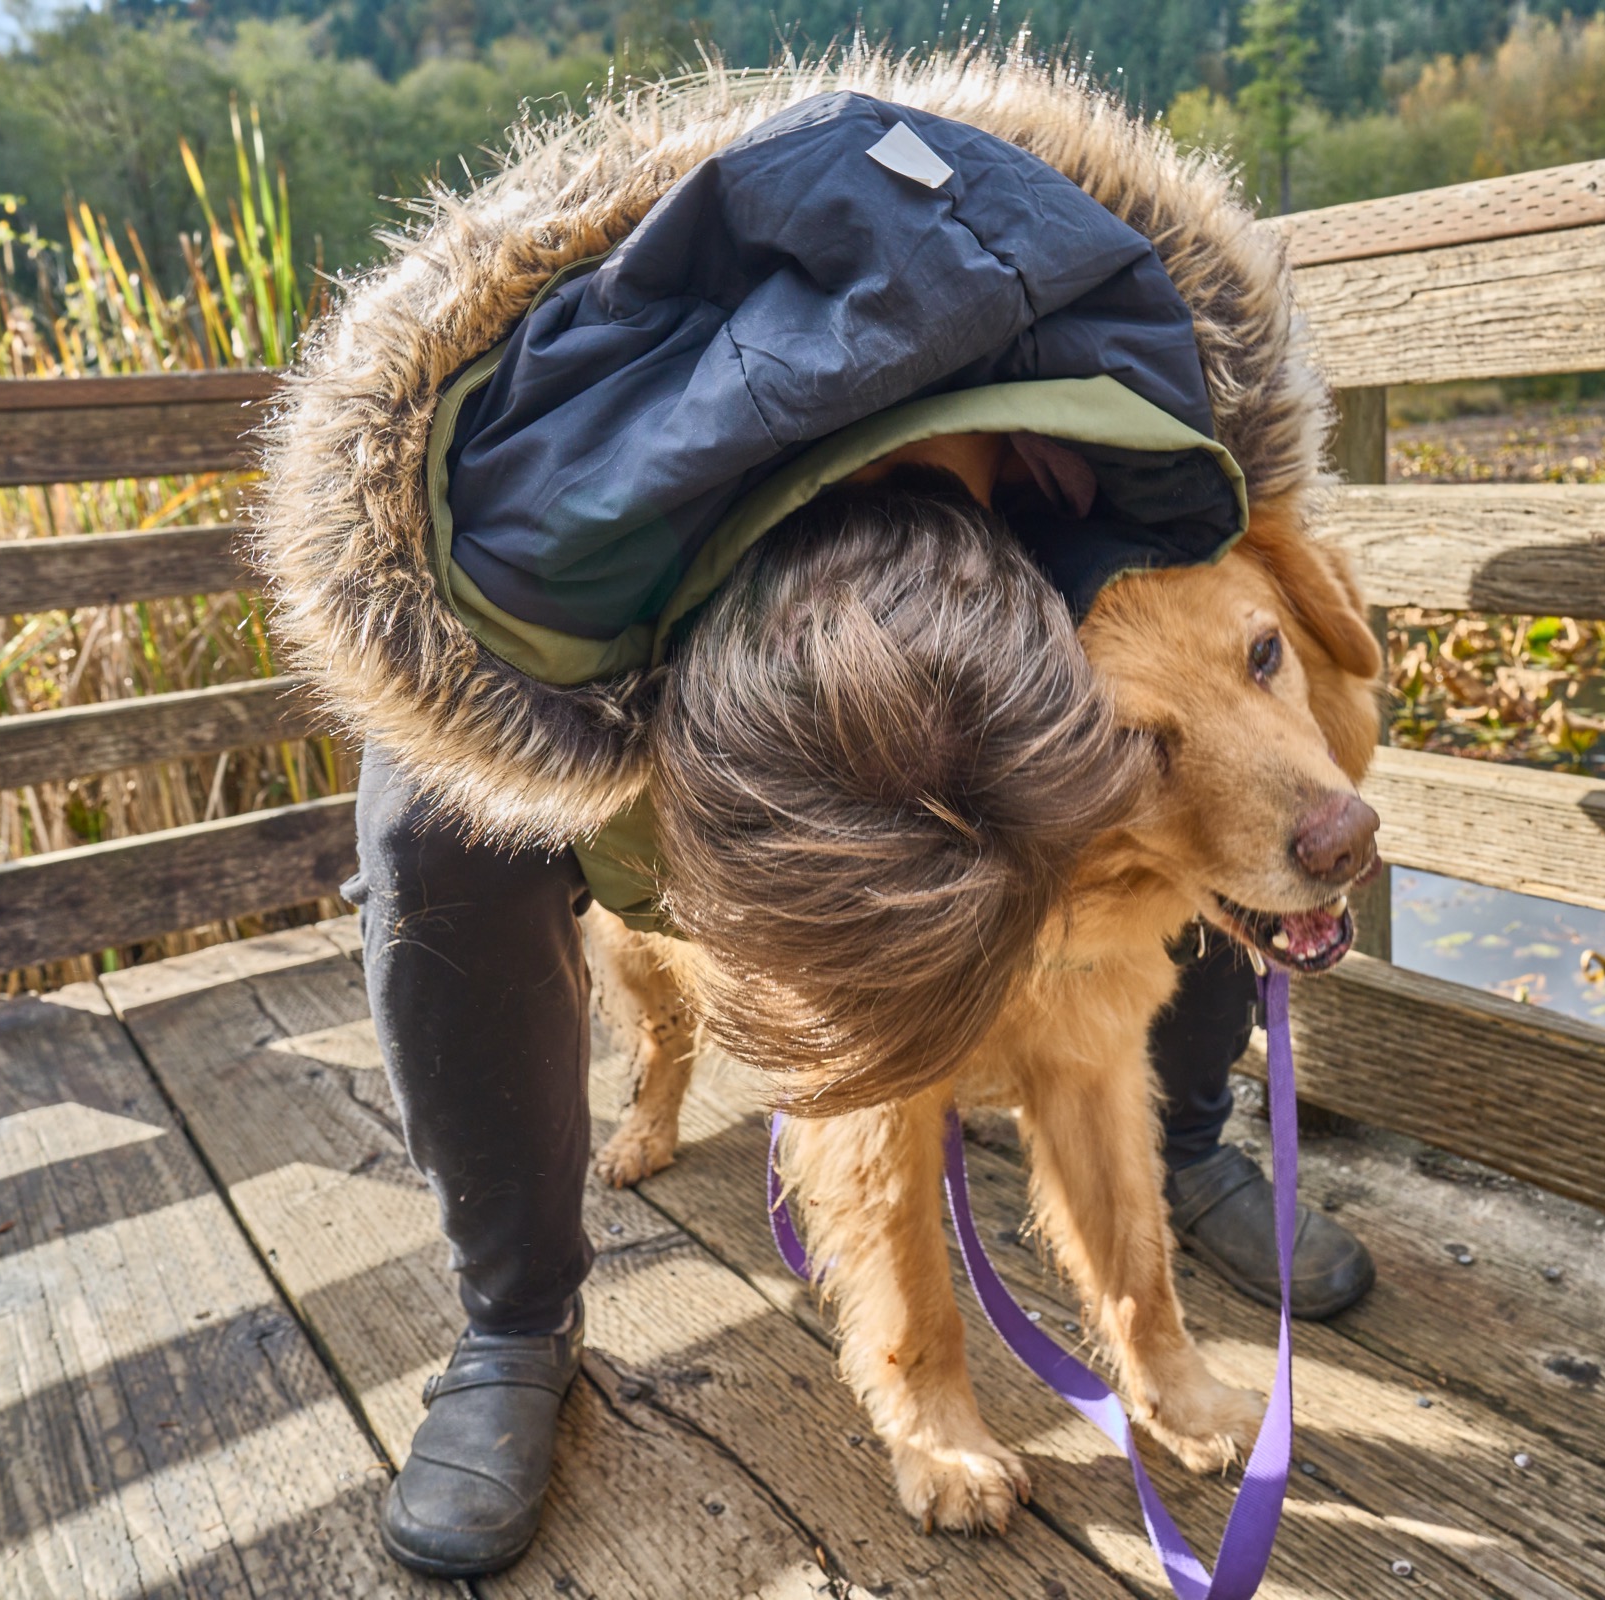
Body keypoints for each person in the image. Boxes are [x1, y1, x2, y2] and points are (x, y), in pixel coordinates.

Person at [257, 58, 1376, 1580]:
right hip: (577, 504)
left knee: (1220, 814)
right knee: (430, 844)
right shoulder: (527, 586)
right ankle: (516, 1316)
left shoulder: (1161, 391)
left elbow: (1266, 674)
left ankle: (1184, 1140)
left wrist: (1239, 762)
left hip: (1036, 310)